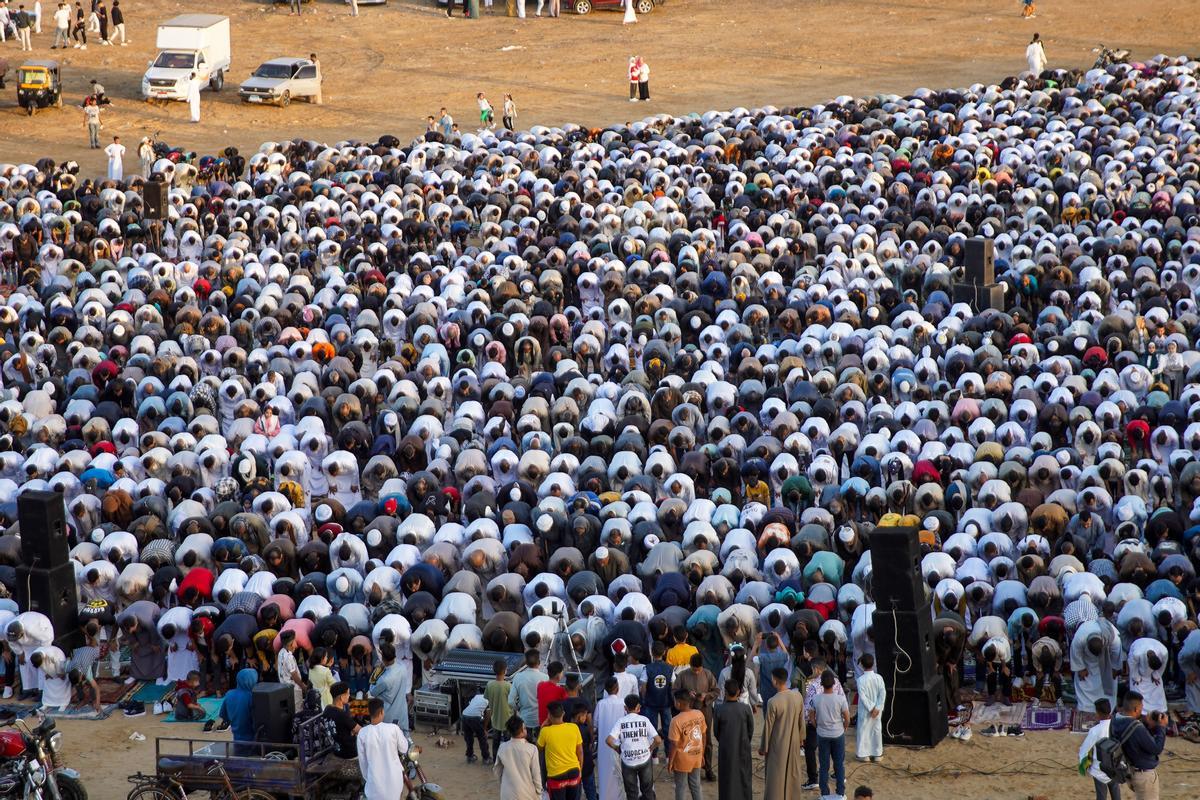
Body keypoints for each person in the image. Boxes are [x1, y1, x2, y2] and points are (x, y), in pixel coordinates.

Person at [1111, 691, 1167, 800]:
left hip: (1129, 770)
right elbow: (1156, 748)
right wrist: (1161, 727)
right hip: (1143, 775)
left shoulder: (1115, 720)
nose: (1142, 711)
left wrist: (1146, 724)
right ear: (1136, 709)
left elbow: (1132, 736)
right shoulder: (1137, 728)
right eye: (1141, 708)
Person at [761, 667, 805, 800]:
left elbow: (768, 727)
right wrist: (801, 739)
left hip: (777, 743)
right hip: (794, 741)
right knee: (792, 772)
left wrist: (764, 747)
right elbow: (801, 720)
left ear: (774, 680)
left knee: (776, 775)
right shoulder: (798, 696)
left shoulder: (773, 701)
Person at [606, 694, 659, 800]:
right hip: (645, 758)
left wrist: (618, 749)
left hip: (628, 761)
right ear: (638, 707)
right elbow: (658, 740)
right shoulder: (644, 720)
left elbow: (608, 740)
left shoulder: (621, 722)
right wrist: (651, 748)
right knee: (647, 790)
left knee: (631, 793)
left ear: (625, 708)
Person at [674, 653, 717, 781]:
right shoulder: (682, 675)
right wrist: (686, 695)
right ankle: (687, 768)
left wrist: (706, 696)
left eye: (699, 669)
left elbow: (716, 691)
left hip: (704, 711)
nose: (697, 672)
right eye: (694, 669)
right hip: (687, 712)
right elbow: (674, 691)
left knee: (706, 740)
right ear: (690, 666)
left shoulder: (708, 674)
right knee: (686, 740)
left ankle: (708, 768)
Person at [357, 698, 410, 800]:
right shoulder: (393, 728)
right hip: (394, 783)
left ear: (369, 713)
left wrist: (370, 778)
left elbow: (363, 763)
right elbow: (404, 749)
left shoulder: (362, 733)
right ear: (382, 712)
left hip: (374, 786)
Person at [811, 670, 849, 800]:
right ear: (834, 684)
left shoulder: (816, 699)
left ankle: (825, 793)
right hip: (838, 734)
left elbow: (811, 716)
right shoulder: (840, 699)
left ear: (821, 684)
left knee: (824, 765)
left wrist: (817, 726)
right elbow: (847, 717)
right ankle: (840, 792)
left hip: (822, 734)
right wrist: (844, 727)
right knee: (839, 764)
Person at [712, 680, 753, 800]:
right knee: (744, 776)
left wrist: (725, 740)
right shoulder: (745, 709)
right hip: (743, 747)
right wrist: (745, 740)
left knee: (727, 777)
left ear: (725, 691)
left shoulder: (719, 709)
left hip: (726, 748)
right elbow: (750, 729)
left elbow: (716, 732)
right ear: (739, 692)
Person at [539, 701, 584, 800]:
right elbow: (580, 752)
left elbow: (539, 748)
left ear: (549, 715)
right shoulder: (574, 727)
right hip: (574, 772)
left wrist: (543, 726)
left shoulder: (545, 731)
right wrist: (580, 769)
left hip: (556, 776)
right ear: (563, 713)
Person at [1078, 697, 1120, 800]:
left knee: (1101, 796)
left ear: (1098, 713)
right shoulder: (1118, 725)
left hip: (1099, 769)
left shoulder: (1094, 731)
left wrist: (1083, 766)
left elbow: (1084, 750)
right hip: (1116, 766)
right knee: (1116, 793)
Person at [667, 689, 705, 800]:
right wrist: (702, 754)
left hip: (682, 759)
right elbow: (704, 735)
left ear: (678, 703)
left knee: (680, 787)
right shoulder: (699, 714)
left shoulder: (676, 720)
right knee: (696, 785)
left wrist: (671, 761)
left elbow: (674, 744)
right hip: (696, 755)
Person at [210, 668, 259, 748]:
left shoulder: (229, 694)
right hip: (253, 742)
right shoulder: (253, 696)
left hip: (236, 740)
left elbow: (223, 716)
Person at [369, 642, 412, 731]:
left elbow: (372, 690)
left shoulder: (385, 679)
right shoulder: (402, 666)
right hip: (402, 713)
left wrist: (377, 670)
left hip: (389, 715)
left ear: (383, 658)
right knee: (404, 739)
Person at [496, 717, 542, 800]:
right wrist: (539, 792)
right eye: (524, 728)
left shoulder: (502, 747)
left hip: (507, 793)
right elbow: (536, 774)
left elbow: (497, 770)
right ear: (522, 730)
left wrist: (503, 784)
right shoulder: (532, 749)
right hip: (527, 793)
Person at [594, 677, 625, 800]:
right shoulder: (623, 703)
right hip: (619, 745)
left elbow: (595, 724)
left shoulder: (601, 704)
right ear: (617, 689)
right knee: (620, 773)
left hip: (604, 746)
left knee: (605, 773)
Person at [642, 641, 674, 759]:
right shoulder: (670, 668)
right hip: (666, 703)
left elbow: (643, 687)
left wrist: (644, 698)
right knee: (667, 729)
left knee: (652, 729)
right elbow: (673, 685)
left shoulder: (647, 668)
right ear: (664, 652)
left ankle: (654, 756)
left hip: (651, 703)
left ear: (652, 652)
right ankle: (668, 755)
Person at [509, 649, 547, 739]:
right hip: (541, 719)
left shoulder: (518, 677)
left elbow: (510, 701)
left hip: (524, 718)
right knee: (540, 747)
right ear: (539, 662)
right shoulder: (545, 678)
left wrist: (518, 708)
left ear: (526, 662)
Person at [855, 654, 885, 762]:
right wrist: (877, 707)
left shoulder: (860, 680)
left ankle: (864, 755)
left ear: (862, 665)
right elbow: (883, 694)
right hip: (877, 711)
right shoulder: (879, 678)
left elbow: (863, 696)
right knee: (876, 730)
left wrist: (872, 708)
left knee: (864, 730)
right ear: (873, 663)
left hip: (866, 710)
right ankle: (877, 754)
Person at [485, 658, 514, 762]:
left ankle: (495, 761)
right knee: (508, 743)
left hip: (495, 719)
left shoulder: (489, 685)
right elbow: (513, 702)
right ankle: (508, 762)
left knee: (495, 742)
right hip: (507, 719)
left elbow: (487, 701)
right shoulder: (509, 686)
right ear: (505, 670)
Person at [461, 684, 492, 763]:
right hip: (475, 717)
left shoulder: (477, 696)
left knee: (469, 737)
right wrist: (485, 729)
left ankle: (469, 756)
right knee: (482, 737)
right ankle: (486, 758)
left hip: (464, 715)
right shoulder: (489, 698)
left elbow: (471, 706)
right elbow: (488, 715)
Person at [277, 629, 305, 707]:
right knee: (297, 708)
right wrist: (302, 686)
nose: (297, 643)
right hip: (293, 688)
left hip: (284, 687)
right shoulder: (289, 657)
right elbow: (294, 674)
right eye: (295, 641)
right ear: (291, 644)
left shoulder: (281, 652)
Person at [537, 661, 569, 726]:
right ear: (558, 675)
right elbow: (567, 704)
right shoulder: (560, 690)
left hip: (541, 722)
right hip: (552, 723)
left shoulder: (540, 685)